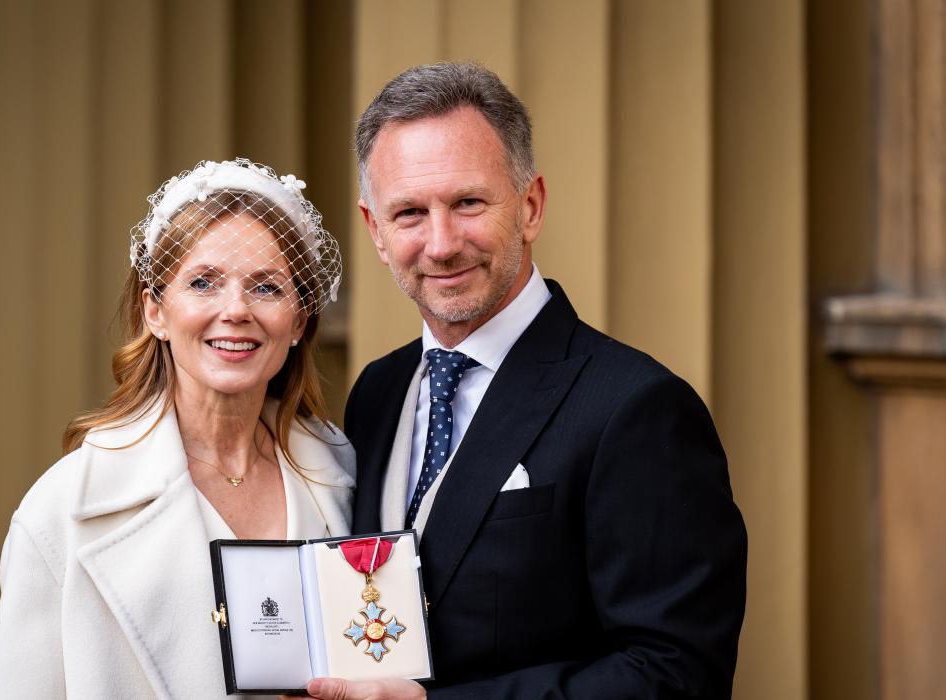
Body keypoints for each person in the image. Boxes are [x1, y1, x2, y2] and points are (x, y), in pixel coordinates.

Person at [307, 63, 748, 699]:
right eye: (409, 212)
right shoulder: (378, 391)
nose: (441, 243)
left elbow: (677, 675)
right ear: (376, 231)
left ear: (531, 206)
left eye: (468, 203)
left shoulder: (637, 408)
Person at [0, 159, 354, 698]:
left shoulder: (343, 475)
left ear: (298, 321)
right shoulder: (60, 512)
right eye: (203, 283)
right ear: (155, 311)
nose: (236, 310)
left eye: (267, 288)